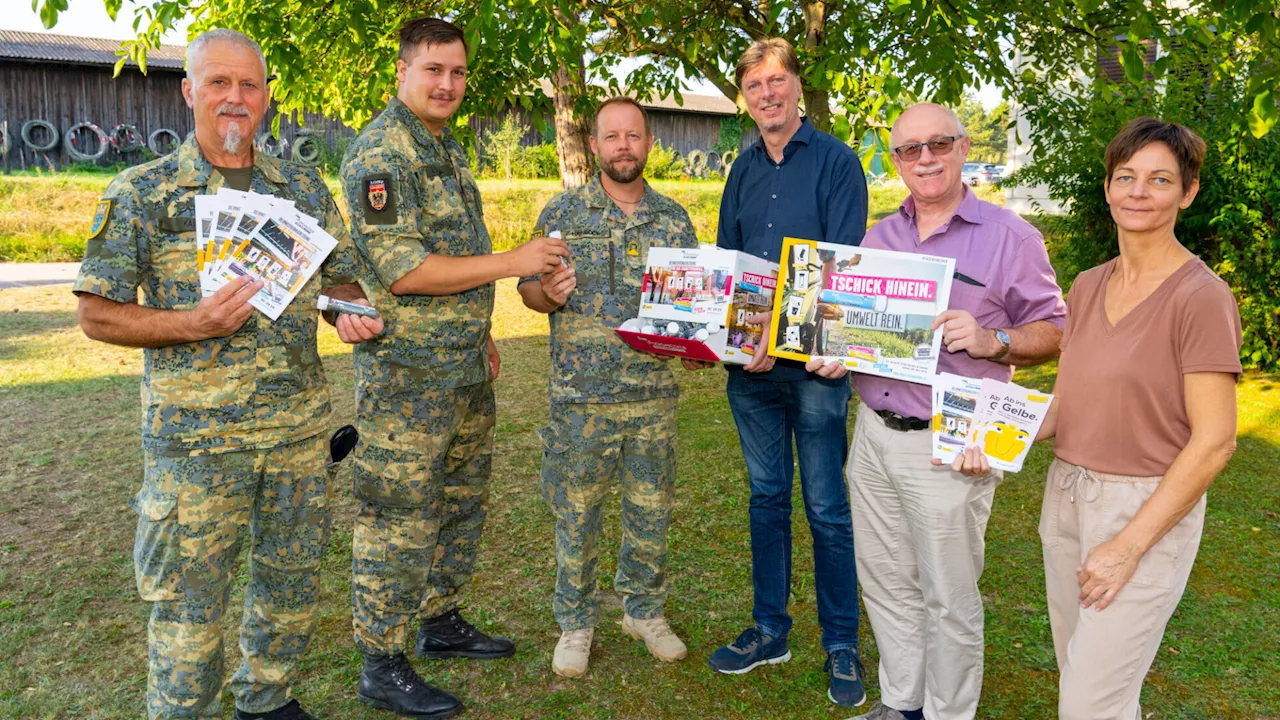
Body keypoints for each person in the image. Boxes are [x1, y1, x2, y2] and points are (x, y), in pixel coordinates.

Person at [73, 29, 382, 720]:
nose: (235, 98)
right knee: (188, 619)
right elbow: (96, 314)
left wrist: (350, 315)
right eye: (219, 82)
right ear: (189, 91)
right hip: (195, 451)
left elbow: (342, 285)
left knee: (290, 590)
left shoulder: (302, 187)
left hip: (298, 437)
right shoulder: (142, 194)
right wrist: (192, 324)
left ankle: (266, 701)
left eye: (250, 85)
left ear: (267, 96)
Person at [952, 117, 1241, 719]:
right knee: (1087, 678)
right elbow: (1069, 401)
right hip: (1068, 495)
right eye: (1126, 176)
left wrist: (1128, 546)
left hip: (1144, 509)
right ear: (1108, 187)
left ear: (1187, 192)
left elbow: (1215, 442)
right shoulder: (1086, 285)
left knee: (1089, 703)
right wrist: (987, 439)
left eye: (1160, 179)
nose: (1139, 191)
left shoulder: (1201, 297)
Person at [339, 17, 568, 719]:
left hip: (462, 367)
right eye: (434, 70)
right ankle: (382, 660)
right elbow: (404, 270)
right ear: (402, 72)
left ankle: (439, 622)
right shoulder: (381, 153)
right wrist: (517, 263)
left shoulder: (444, 147)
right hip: (407, 380)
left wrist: (483, 330)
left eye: (458, 73)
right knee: (398, 518)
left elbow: (455, 255)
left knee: (460, 505)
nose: (447, 84)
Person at [820, 102, 1066, 720]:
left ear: (960, 148)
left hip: (953, 444)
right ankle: (901, 702)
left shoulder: (1012, 236)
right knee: (885, 580)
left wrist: (994, 341)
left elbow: (1057, 330)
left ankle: (948, 713)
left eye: (938, 144)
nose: (924, 158)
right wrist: (836, 353)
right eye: (910, 149)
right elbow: (865, 332)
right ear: (897, 159)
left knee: (948, 595)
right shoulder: (880, 238)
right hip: (873, 435)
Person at [519, 96, 709, 678]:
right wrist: (545, 295)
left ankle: (644, 611)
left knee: (651, 510)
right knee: (576, 513)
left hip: (652, 398)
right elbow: (528, 288)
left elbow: (692, 309)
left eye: (635, 135)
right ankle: (575, 622)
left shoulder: (674, 219)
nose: (624, 146)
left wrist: (698, 345)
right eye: (613, 136)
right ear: (595, 145)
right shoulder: (563, 213)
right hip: (582, 399)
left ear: (649, 143)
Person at [707, 37, 870, 708]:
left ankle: (841, 644)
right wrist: (745, 340)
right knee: (766, 499)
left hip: (816, 371)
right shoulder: (741, 168)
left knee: (827, 508)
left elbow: (840, 267)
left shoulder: (837, 163)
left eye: (777, 81)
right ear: (744, 97)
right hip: (752, 370)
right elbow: (729, 265)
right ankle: (770, 628)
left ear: (797, 86)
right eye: (754, 86)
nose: (767, 94)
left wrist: (781, 337)